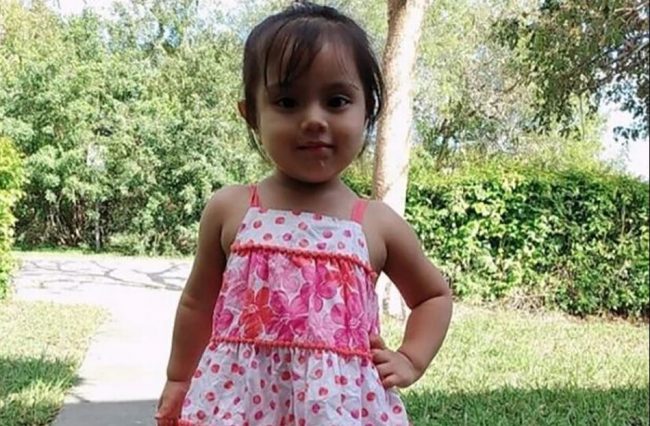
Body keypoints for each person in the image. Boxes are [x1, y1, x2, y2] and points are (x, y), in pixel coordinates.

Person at [155, 2, 452, 425]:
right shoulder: (231, 209)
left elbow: (432, 296)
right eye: (287, 101)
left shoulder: (375, 223)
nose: (313, 119)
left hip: (339, 408)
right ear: (251, 115)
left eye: (336, 100)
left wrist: (411, 358)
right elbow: (197, 303)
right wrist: (179, 378)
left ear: (367, 109)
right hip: (240, 404)